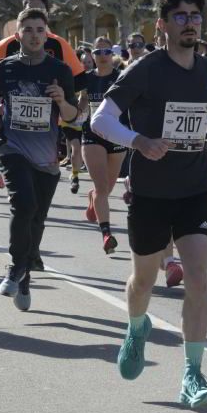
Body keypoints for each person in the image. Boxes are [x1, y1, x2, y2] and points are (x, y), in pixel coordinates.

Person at [91, 0, 207, 409]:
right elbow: (101, 119)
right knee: (143, 281)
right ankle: (137, 327)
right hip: (152, 192)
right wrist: (138, 141)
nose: (190, 23)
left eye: (195, 16)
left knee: (197, 275)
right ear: (163, 24)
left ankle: (192, 373)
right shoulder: (147, 69)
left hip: (194, 187)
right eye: (181, 17)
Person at [0, 7, 77, 310]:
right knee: (23, 204)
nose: (35, 36)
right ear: (17, 35)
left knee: (37, 217)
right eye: (28, 30)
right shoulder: (5, 67)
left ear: (47, 34)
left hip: (47, 154)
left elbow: (73, 116)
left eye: (40, 30)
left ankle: (24, 275)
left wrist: (61, 100)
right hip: (13, 147)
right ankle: (15, 266)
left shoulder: (59, 70)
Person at [0, 0, 86, 91]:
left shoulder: (60, 44)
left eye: (40, 11)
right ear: (22, 14)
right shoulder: (5, 45)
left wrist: (61, 98)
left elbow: (79, 80)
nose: (35, 14)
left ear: (47, 15)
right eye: (30, 10)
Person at [80, 36, 127, 255]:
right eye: (97, 52)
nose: (102, 56)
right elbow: (81, 104)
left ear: (112, 54)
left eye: (106, 52)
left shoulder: (122, 78)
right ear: (92, 56)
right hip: (92, 135)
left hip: (117, 136)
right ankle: (106, 233)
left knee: (106, 190)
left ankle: (94, 200)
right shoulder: (86, 78)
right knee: (101, 187)